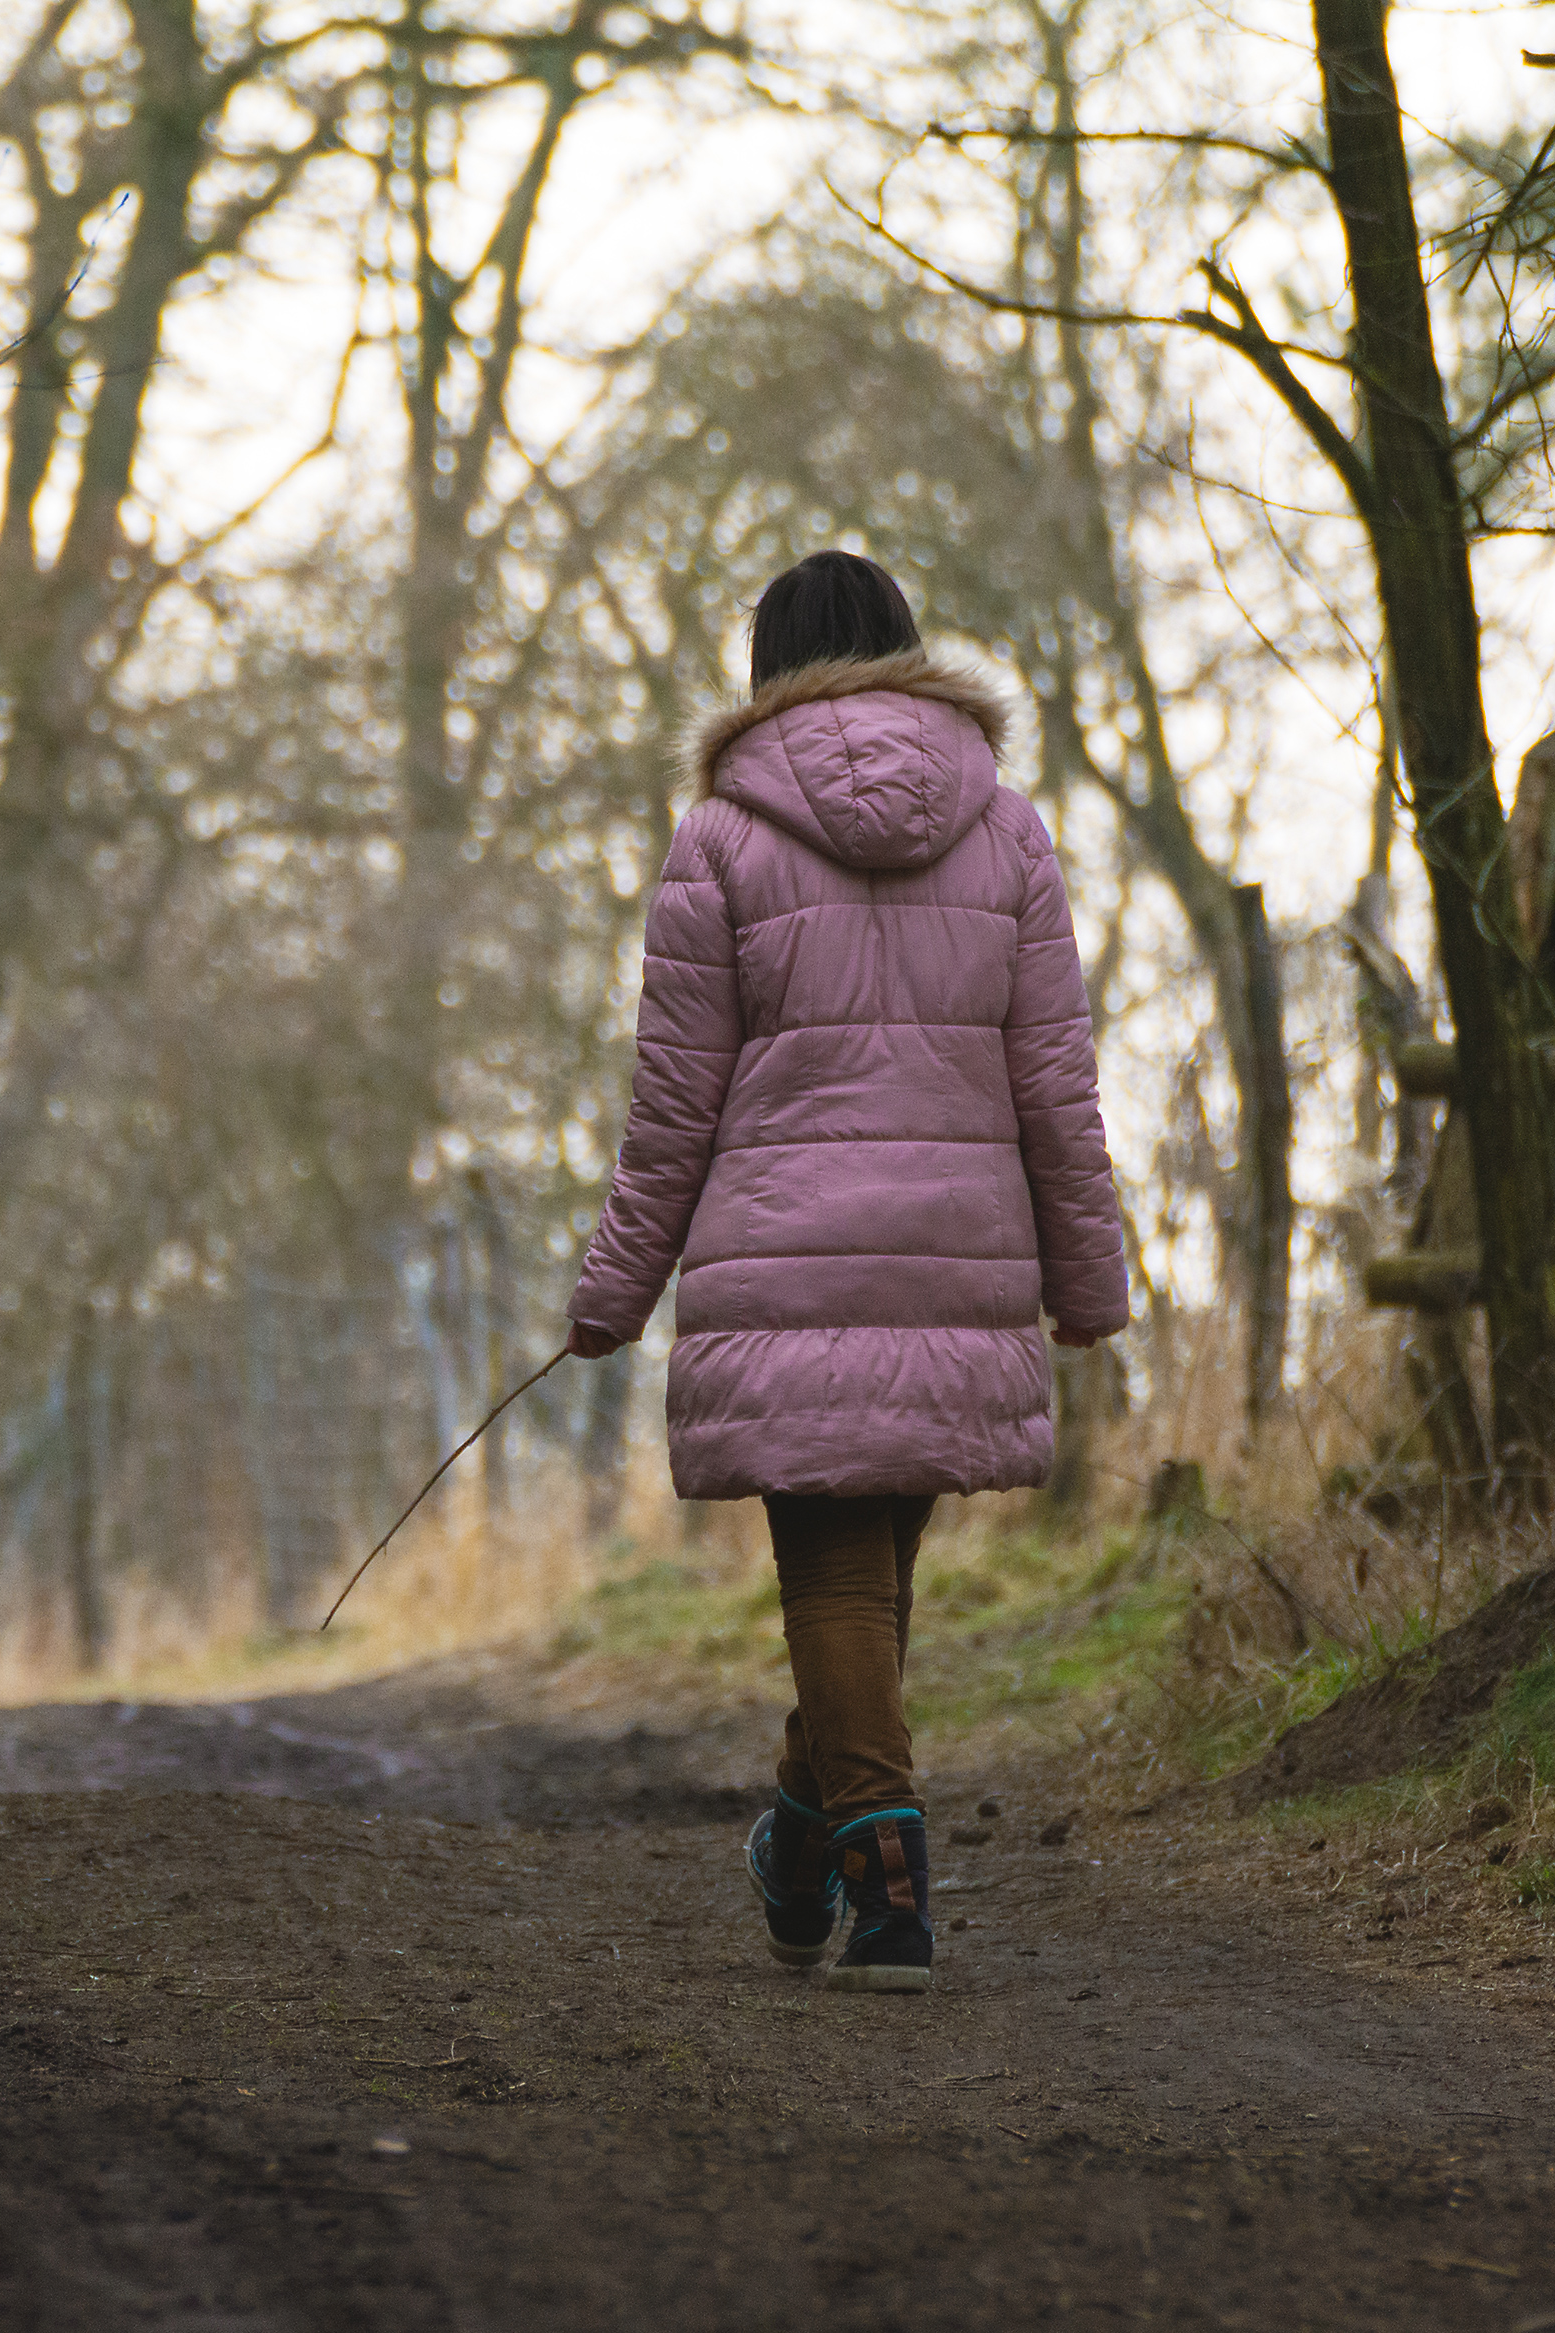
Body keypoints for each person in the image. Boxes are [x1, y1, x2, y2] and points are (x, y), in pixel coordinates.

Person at [562, 551, 1128, 1993]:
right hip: (958, 1263)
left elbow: (672, 1106)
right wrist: (1088, 1276)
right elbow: (1056, 1083)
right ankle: (800, 1847)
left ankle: (889, 1886)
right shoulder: (1008, 834)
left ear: (771, 669)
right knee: (870, 1588)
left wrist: (613, 1291)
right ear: (905, 651)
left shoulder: (719, 842)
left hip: (785, 1269)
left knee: (835, 1586)